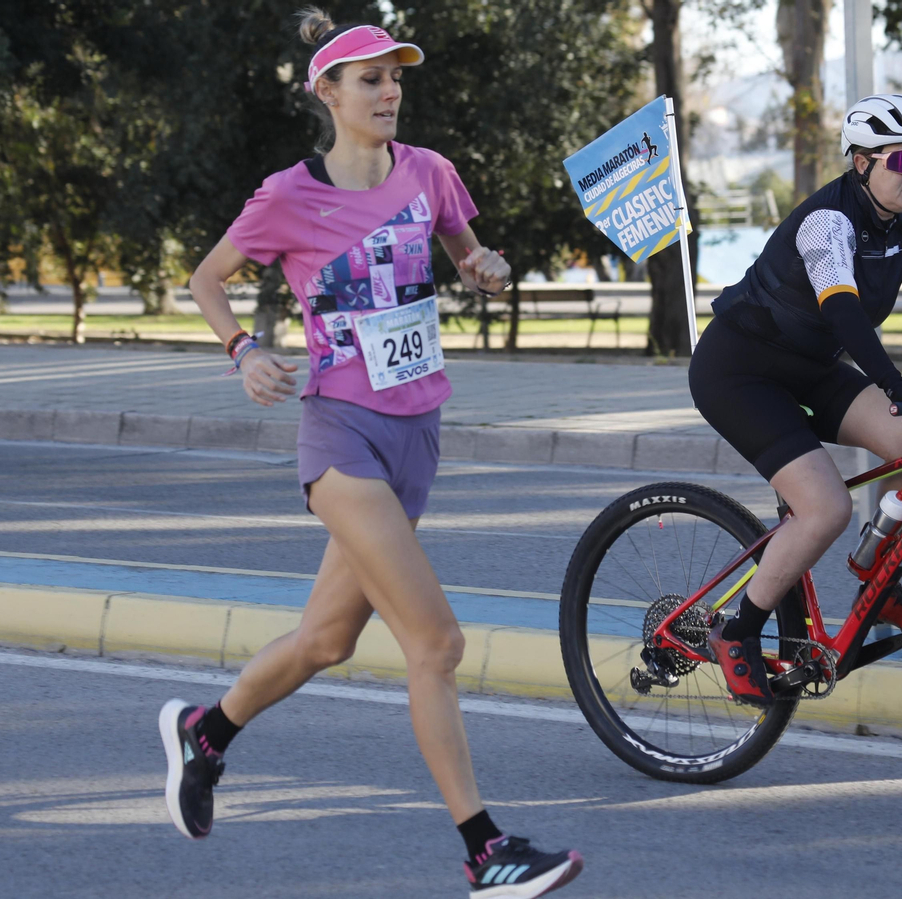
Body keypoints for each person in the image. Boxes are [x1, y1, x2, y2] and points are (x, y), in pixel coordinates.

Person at [157, 10, 583, 897]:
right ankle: (486, 851)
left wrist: (487, 268)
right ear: (328, 93)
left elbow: (470, 253)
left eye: (395, 79)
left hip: (418, 432)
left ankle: (206, 732)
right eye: (371, 80)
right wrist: (244, 350)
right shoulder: (288, 195)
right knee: (436, 642)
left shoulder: (429, 172)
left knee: (325, 640)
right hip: (342, 435)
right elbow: (205, 278)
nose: (389, 93)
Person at [688, 93, 902, 704]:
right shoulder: (828, 222)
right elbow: (845, 315)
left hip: (810, 368)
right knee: (826, 509)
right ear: (861, 162)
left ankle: (879, 581)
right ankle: (737, 631)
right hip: (739, 372)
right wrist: (898, 387)